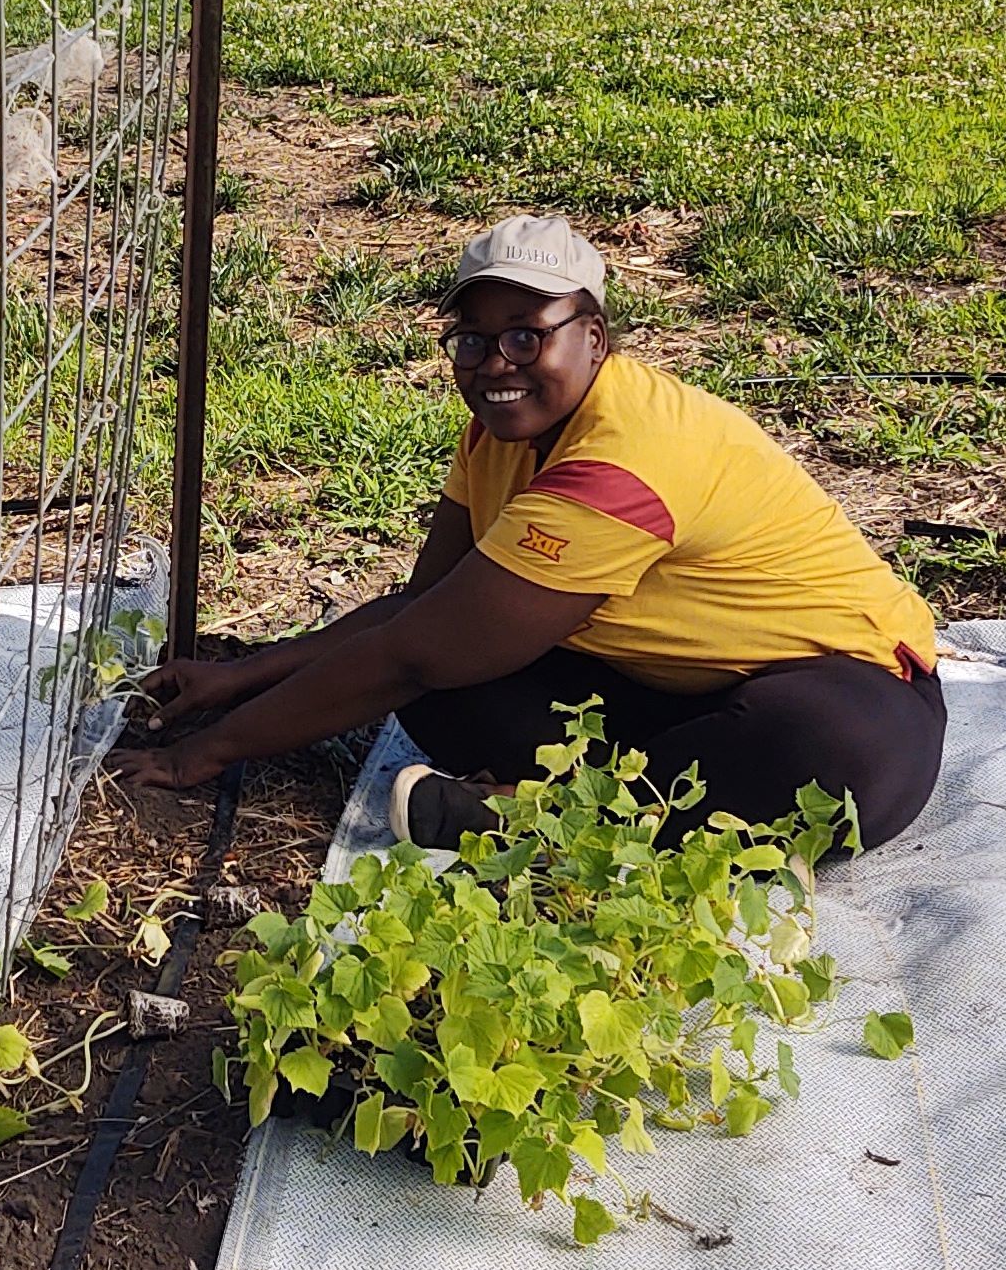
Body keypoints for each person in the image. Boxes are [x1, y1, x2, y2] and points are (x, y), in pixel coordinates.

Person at [109, 214, 945, 853]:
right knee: (450, 684)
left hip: (844, 688)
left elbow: (412, 648)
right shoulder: (498, 438)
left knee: (828, 758)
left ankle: (534, 824)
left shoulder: (626, 458)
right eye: (472, 341)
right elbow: (422, 613)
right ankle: (601, 812)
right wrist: (244, 675)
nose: (494, 365)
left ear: (593, 337)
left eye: (525, 335)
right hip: (663, 689)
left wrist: (205, 755)